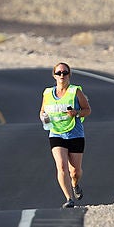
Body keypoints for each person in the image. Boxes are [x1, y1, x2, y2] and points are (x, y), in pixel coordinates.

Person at [39, 62, 91, 208]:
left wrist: (76, 113)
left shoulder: (75, 91)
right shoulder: (48, 93)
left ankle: (75, 184)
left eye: (65, 72)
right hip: (56, 133)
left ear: (69, 74)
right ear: (54, 75)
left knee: (75, 171)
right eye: (59, 73)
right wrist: (44, 118)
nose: (62, 75)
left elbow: (87, 110)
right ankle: (69, 199)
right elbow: (42, 111)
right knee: (61, 167)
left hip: (75, 133)